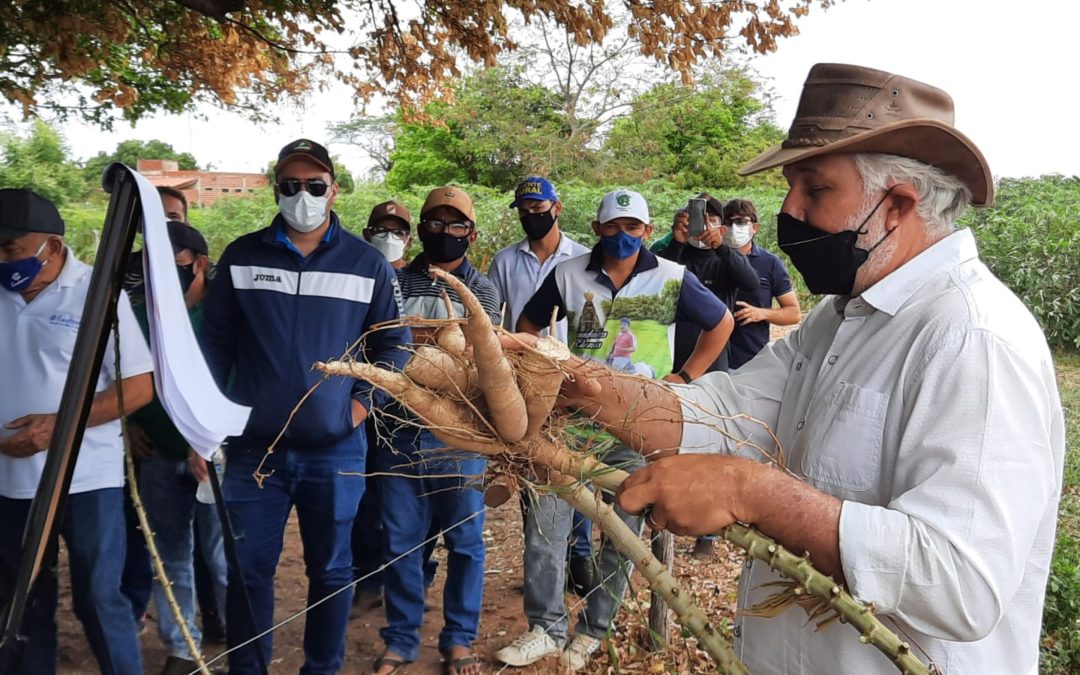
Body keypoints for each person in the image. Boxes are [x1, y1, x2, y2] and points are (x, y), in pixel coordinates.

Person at [518, 64, 1063, 674]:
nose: (789, 210)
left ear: (898, 205)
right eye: (790, 188)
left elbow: (962, 581)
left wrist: (745, 490)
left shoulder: (972, 337)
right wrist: (577, 385)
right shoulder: (840, 318)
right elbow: (729, 410)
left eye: (814, 188)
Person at [201, 139, 411, 674]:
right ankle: (247, 669)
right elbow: (216, 343)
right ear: (276, 189)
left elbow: (394, 346)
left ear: (334, 190)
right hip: (254, 454)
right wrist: (209, 419)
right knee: (247, 571)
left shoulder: (367, 264)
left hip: (335, 450)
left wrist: (359, 408)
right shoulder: (243, 256)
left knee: (333, 571)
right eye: (290, 185)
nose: (303, 196)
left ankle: (322, 667)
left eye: (314, 186)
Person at [505, 189, 733, 670]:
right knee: (545, 527)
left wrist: (685, 378)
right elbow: (526, 327)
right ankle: (544, 628)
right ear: (597, 228)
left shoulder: (672, 278)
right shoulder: (567, 276)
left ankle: (592, 631)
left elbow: (721, 323)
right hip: (570, 422)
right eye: (613, 227)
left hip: (637, 427)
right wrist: (539, 368)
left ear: (647, 231)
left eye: (633, 228)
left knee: (623, 532)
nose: (623, 236)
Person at [0, 188, 154, 675]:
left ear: (52, 244)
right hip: (9, 481)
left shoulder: (98, 292)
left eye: (10, 250)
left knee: (98, 596)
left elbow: (138, 387)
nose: (1, 260)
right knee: (21, 600)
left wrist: (58, 426)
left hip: (86, 478)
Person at [374, 186, 497, 675]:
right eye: (434, 223)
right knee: (400, 543)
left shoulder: (482, 289)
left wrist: (417, 343)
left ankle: (459, 639)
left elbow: (479, 361)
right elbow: (382, 345)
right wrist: (436, 345)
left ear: (471, 232)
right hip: (397, 432)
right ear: (420, 228)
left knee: (465, 543)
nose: (444, 233)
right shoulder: (393, 280)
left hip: (459, 437)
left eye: (455, 225)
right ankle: (401, 640)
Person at [488, 178, 597, 667]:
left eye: (539, 205)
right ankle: (548, 604)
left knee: (582, 482)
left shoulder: (583, 260)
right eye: (524, 207)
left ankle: (580, 561)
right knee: (539, 489)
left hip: (574, 389)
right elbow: (496, 322)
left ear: (558, 207)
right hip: (523, 392)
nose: (531, 213)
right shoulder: (506, 261)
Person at [126, 220, 230, 675]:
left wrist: (209, 440)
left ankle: (233, 629)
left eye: (173, 266)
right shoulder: (140, 314)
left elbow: (240, 384)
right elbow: (122, 375)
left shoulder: (227, 315)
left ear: (199, 264)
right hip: (159, 455)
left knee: (220, 552)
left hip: (215, 458)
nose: (160, 277)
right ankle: (182, 646)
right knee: (169, 555)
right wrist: (128, 424)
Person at [653, 195, 758, 559]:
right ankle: (658, 518)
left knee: (712, 443)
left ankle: (709, 531)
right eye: (697, 218)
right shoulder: (670, 254)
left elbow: (751, 283)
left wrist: (724, 247)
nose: (703, 225)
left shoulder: (725, 257)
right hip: (670, 361)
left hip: (713, 362)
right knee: (663, 438)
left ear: (721, 224)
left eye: (711, 218)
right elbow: (657, 285)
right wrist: (678, 244)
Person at [720, 198, 802, 370]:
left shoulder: (770, 263)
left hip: (751, 361)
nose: (734, 228)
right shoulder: (711, 258)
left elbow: (793, 313)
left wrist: (761, 313)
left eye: (741, 222)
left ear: (755, 228)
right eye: (728, 222)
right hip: (711, 360)